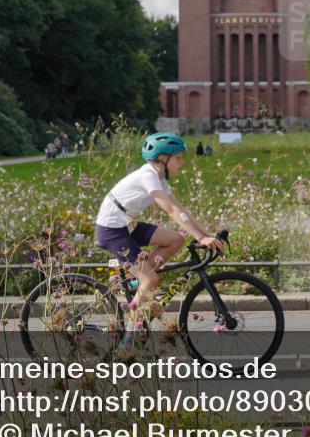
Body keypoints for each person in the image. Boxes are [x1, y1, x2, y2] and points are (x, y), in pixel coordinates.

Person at [95, 132, 224, 337]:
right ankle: (129, 336)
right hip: (111, 229)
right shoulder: (148, 175)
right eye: (178, 158)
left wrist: (207, 234)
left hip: (127, 224)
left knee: (176, 239)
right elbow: (170, 211)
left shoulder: (159, 177)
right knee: (151, 280)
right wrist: (200, 239)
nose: (182, 163)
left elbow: (180, 208)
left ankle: (140, 282)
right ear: (163, 159)